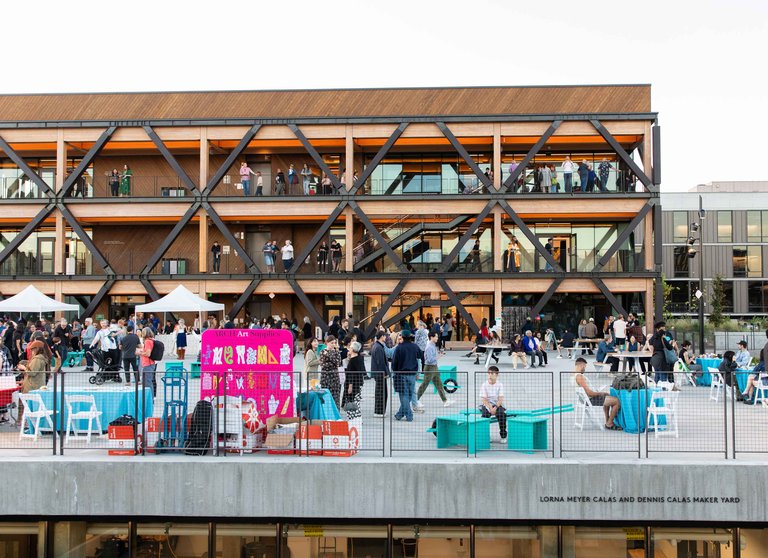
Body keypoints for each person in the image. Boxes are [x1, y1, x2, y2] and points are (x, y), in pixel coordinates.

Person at [574, 357, 622, 430]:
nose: (585, 369)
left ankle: (607, 420)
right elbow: (590, 393)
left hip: (584, 399)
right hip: (590, 399)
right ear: (582, 365)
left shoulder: (573, 376)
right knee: (617, 401)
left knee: (608, 395)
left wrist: (600, 393)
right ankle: (609, 423)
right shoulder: (579, 377)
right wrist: (600, 393)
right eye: (585, 367)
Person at [391, 329, 422, 422]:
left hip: (401, 374)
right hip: (412, 374)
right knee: (409, 394)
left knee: (403, 395)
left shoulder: (399, 348)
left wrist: (395, 371)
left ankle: (409, 415)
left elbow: (394, 362)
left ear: (402, 337)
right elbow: (420, 356)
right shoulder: (414, 346)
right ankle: (399, 414)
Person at [416, 331, 453, 407]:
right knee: (424, 384)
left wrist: (438, 356)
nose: (437, 338)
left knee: (439, 384)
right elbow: (430, 359)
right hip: (429, 367)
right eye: (436, 336)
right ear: (431, 337)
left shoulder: (432, 345)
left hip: (434, 367)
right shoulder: (429, 346)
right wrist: (439, 356)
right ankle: (415, 400)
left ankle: (445, 400)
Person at [479, 366, 507, 440]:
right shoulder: (484, 385)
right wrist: (490, 408)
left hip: (497, 404)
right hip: (487, 404)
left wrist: (495, 407)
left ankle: (503, 436)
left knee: (502, 415)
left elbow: (500, 399)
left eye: (492, 373)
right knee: (485, 415)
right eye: (489, 373)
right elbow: (484, 399)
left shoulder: (500, 385)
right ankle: (486, 436)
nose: (490, 375)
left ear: (497, 374)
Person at [342, 341, 365, 420]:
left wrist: (350, 386)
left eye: (350, 347)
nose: (349, 349)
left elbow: (351, 374)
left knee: (352, 402)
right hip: (359, 383)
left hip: (353, 384)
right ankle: (358, 418)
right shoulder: (359, 358)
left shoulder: (353, 361)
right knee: (356, 401)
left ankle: (354, 418)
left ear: (353, 349)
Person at [319, 336, 342, 411]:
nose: (333, 344)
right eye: (331, 343)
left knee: (335, 395)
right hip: (325, 376)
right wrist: (333, 363)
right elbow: (323, 365)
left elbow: (338, 363)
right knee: (325, 394)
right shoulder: (322, 351)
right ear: (327, 343)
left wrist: (328, 356)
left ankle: (336, 412)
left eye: (334, 343)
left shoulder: (336, 352)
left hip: (335, 377)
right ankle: (325, 411)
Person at [370, 331, 390, 417]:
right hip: (380, 373)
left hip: (379, 373)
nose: (385, 338)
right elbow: (380, 362)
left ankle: (379, 411)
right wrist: (385, 373)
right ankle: (379, 412)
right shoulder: (378, 347)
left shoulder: (377, 346)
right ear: (382, 337)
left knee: (381, 392)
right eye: (385, 336)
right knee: (381, 393)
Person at [139, 327, 157, 396]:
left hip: (148, 364)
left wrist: (140, 353)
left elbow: (148, 354)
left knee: (147, 383)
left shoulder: (147, 341)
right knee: (148, 382)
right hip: (149, 364)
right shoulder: (151, 340)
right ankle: (149, 398)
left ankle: (149, 399)